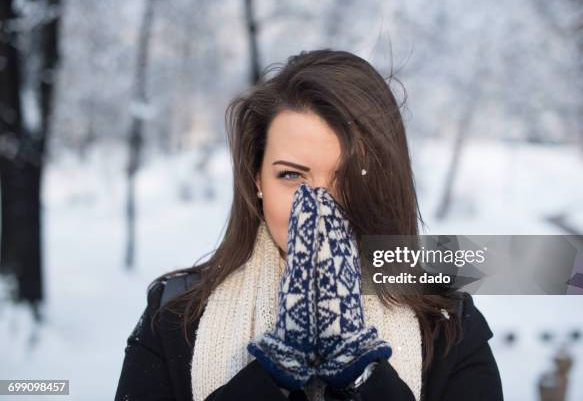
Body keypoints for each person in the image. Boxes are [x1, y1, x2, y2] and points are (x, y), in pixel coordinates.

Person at [115, 49, 504, 401]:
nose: (320, 207)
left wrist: (364, 376)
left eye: (349, 178)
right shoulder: (175, 317)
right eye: (292, 177)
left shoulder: (446, 323)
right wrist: (266, 383)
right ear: (257, 181)